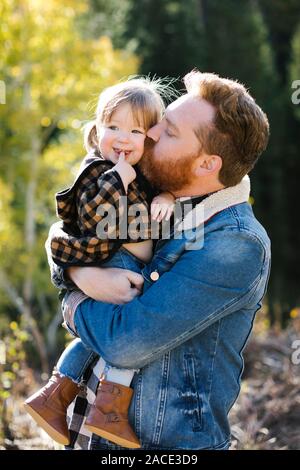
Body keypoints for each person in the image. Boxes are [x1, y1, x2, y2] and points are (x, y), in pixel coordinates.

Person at [47, 70, 270, 451]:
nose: (148, 134)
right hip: (89, 432)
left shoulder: (234, 243)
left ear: (206, 164)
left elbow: (125, 343)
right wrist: (77, 270)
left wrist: (73, 302)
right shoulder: (158, 196)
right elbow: (69, 231)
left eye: (168, 132)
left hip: (162, 444)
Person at [24, 77, 177, 449]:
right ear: (96, 131)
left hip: (126, 262)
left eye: (135, 130)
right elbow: (91, 213)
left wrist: (168, 195)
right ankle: (107, 408)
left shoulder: (145, 174)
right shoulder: (96, 169)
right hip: (111, 260)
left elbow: (158, 194)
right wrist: (117, 177)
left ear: (150, 138)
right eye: (113, 127)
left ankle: (56, 393)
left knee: (107, 332)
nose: (122, 138)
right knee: (127, 331)